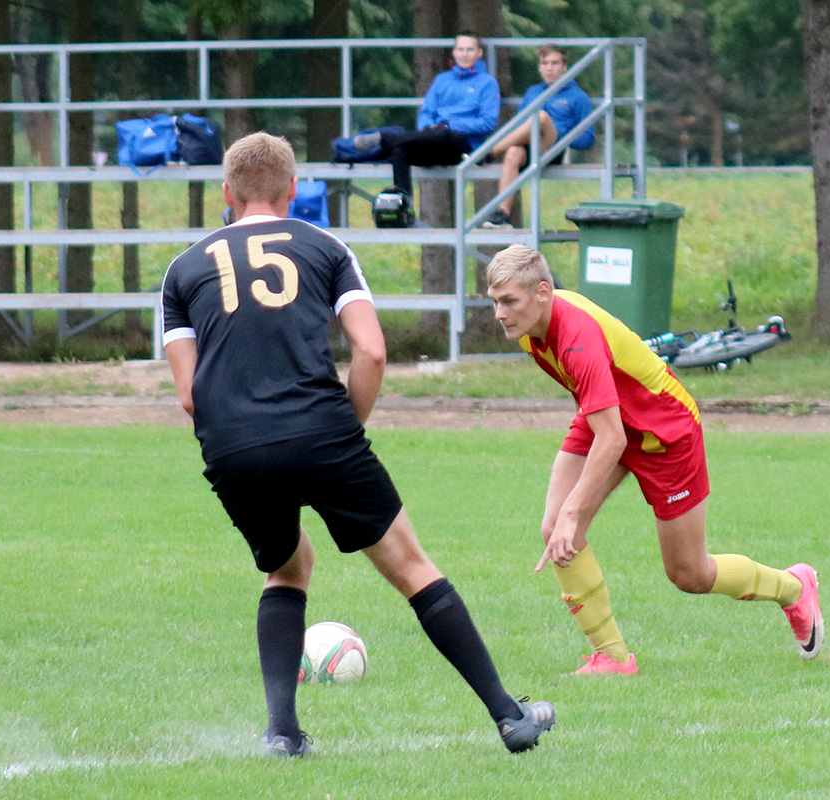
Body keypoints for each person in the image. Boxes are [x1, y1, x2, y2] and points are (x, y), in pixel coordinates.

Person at [161, 132, 555, 757]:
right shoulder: (326, 247)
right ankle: (509, 716)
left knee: (287, 566)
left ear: (226, 193)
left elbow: (189, 395)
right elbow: (370, 350)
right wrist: (346, 427)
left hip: (234, 446)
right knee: (410, 566)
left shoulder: (182, 269)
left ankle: (282, 734)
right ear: (293, 190)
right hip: (324, 430)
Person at [483, 244, 823, 675]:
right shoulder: (532, 328)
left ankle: (794, 587)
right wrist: (569, 513)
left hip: (665, 430)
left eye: (508, 301)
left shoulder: (576, 338)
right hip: (609, 418)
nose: (499, 313)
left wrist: (574, 509)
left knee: (690, 574)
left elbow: (612, 437)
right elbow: (601, 416)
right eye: (495, 302)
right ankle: (613, 658)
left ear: (543, 292)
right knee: (557, 530)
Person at [354, 32, 499, 219]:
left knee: (443, 131)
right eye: (461, 49)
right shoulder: (442, 80)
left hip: (464, 147)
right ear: (454, 52)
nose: (464, 54)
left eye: (469, 50)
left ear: (479, 53)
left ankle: (384, 138)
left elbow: (488, 122)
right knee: (400, 149)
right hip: (435, 140)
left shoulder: (488, 83)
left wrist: (449, 126)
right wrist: (430, 128)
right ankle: (404, 205)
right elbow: (426, 113)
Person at [482, 45, 595, 230]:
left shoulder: (578, 96)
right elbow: (519, 125)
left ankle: (490, 151)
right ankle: (502, 214)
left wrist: (562, 136)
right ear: (539, 67)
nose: (549, 68)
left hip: (553, 148)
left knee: (541, 117)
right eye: (545, 63)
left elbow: (588, 138)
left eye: (555, 63)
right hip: (530, 146)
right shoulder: (533, 92)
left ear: (564, 67)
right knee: (513, 152)